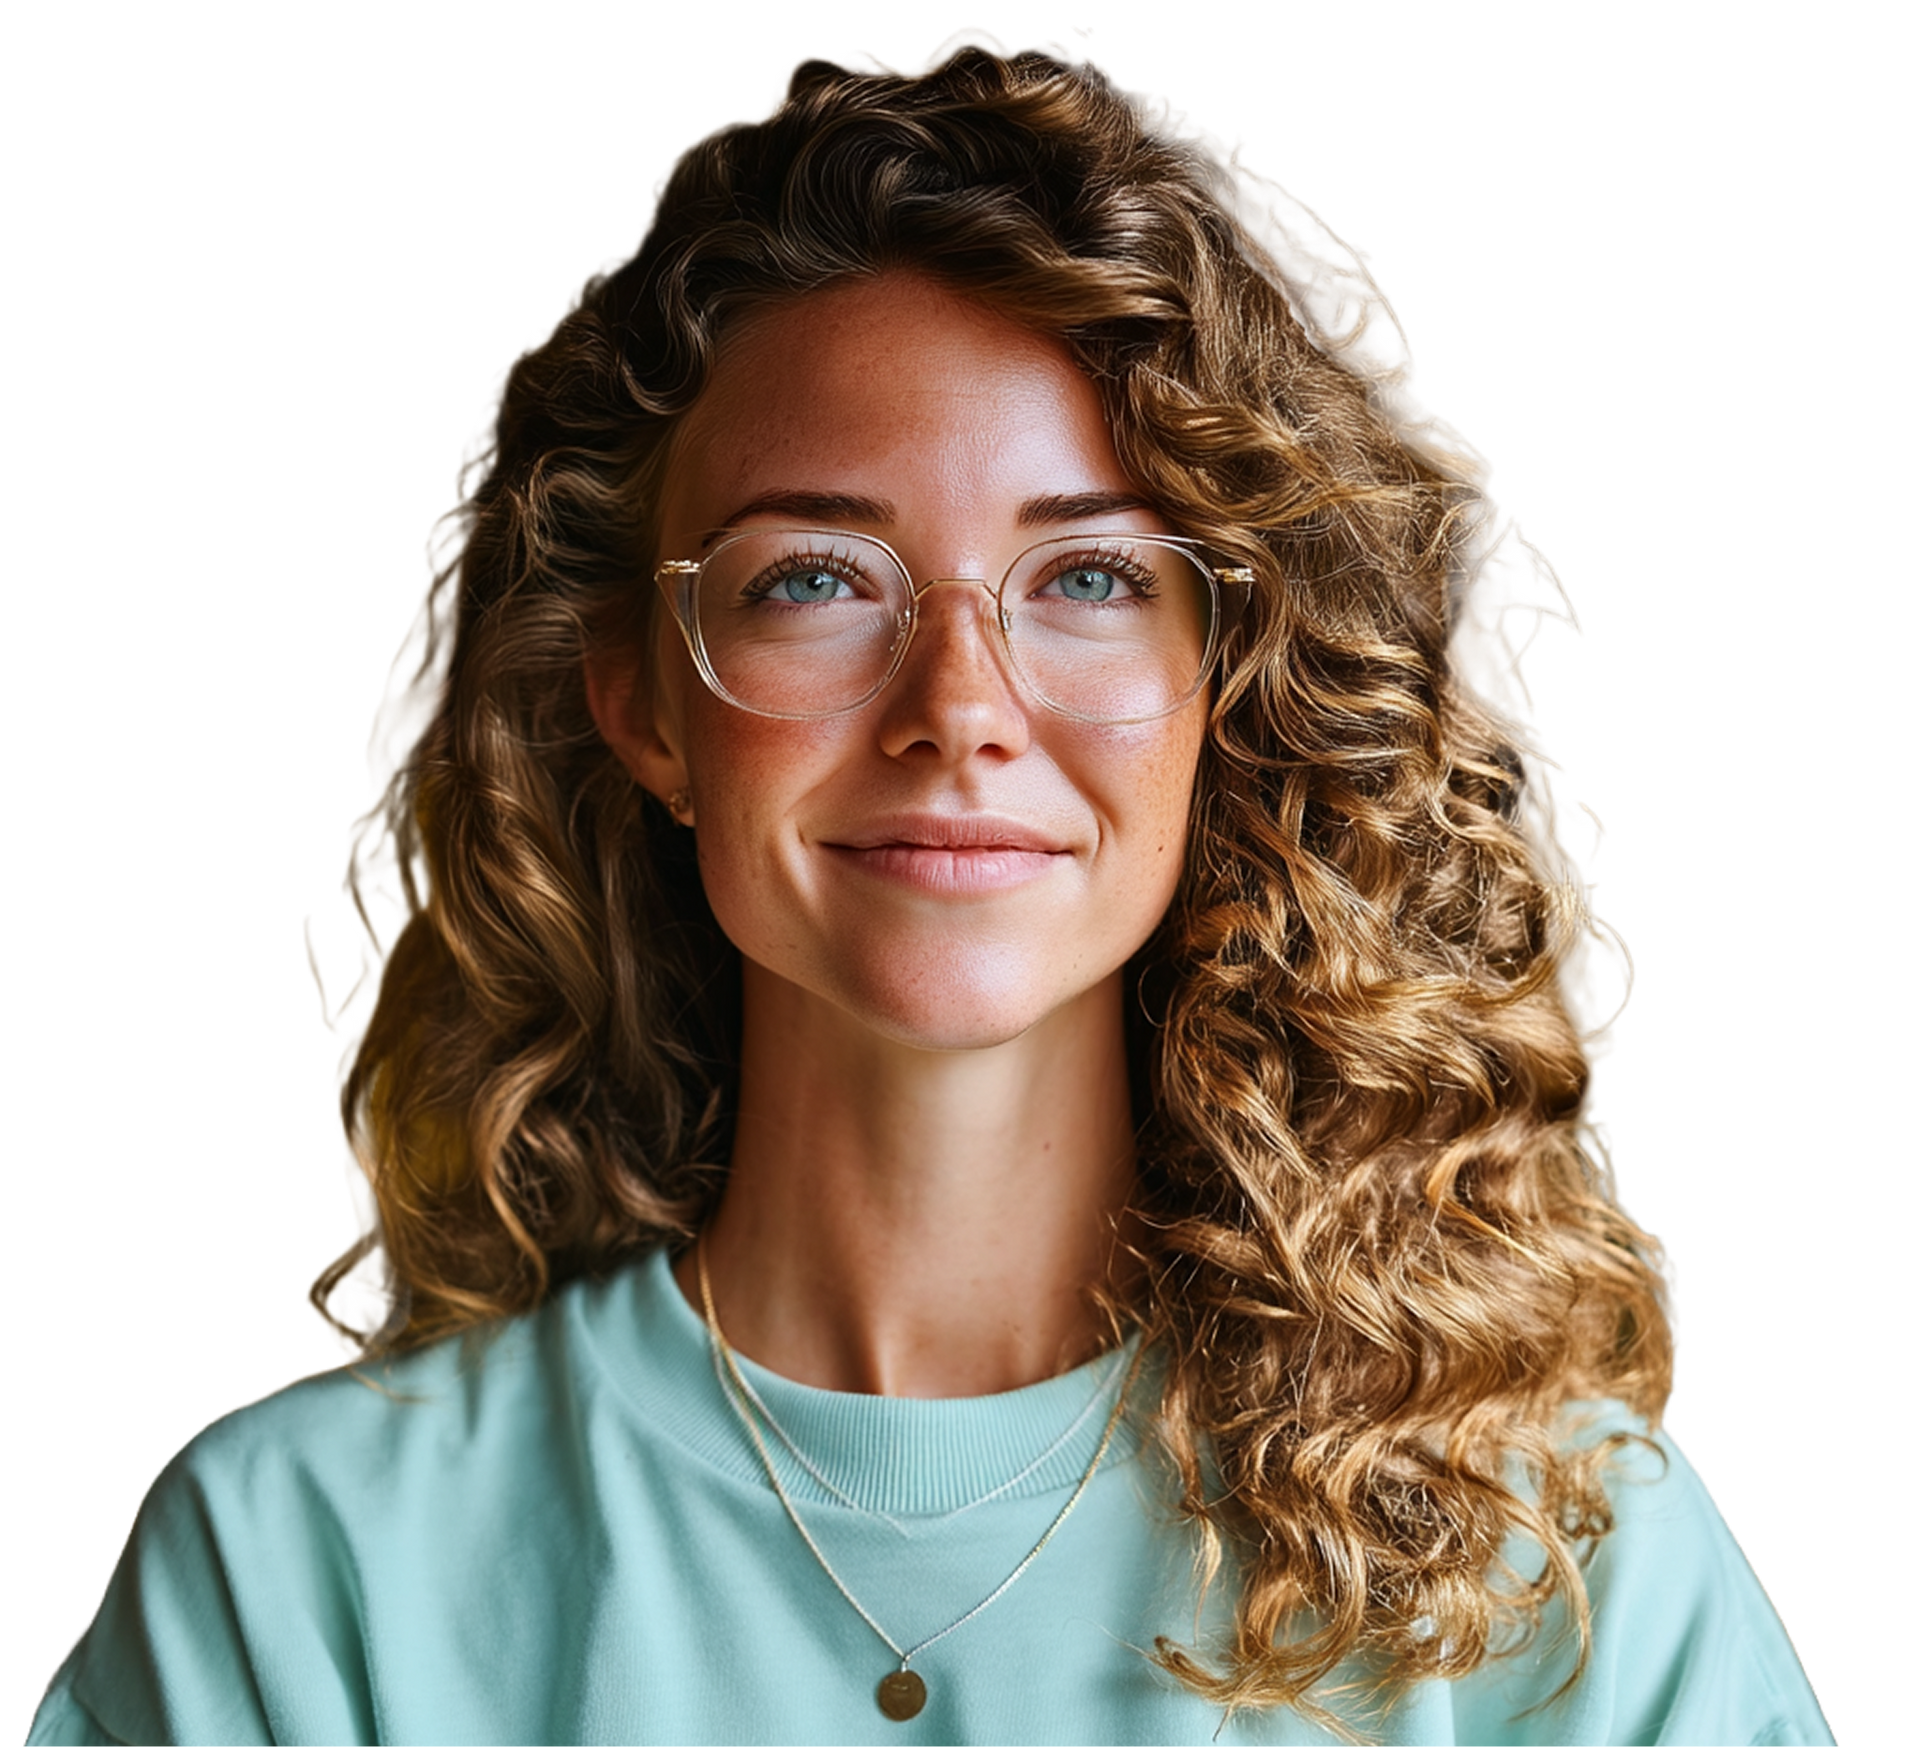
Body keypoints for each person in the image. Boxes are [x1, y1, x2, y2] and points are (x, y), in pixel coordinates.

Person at [29, 30, 1833, 1746]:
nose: (959, 712)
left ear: (1236, 684)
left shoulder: (1566, 1566)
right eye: (815, 578)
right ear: (641, 698)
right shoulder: (298, 1569)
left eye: (1094, 580)